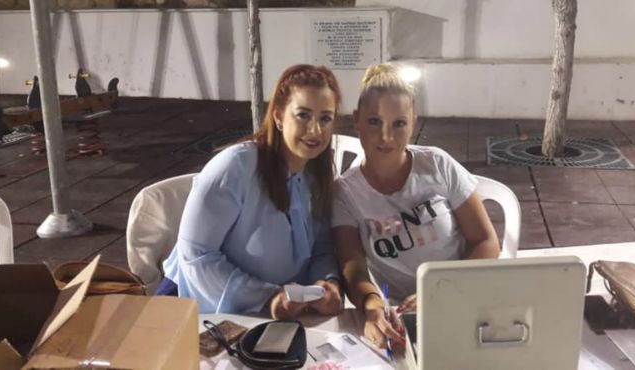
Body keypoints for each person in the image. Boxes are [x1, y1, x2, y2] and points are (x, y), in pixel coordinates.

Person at [332, 63, 500, 348]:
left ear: (413, 123)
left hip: (464, 296)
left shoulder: (437, 164)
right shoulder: (345, 193)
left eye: (399, 123)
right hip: (402, 316)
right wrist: (372, 304)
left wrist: (442, 289)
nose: (386, 136)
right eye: (374, 122)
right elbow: (353, 267)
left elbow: (485, 240)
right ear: (357, 120)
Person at [159, 64, 343, 319]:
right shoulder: (234, 167)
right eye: (303, 115)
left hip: (277, 311)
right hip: (195, 306)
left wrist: (329, 284)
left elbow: (321, 249)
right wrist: (266, 297)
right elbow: (196, 256)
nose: (315, 130)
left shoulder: (315, 174)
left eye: (325, 118)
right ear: (278, 116)